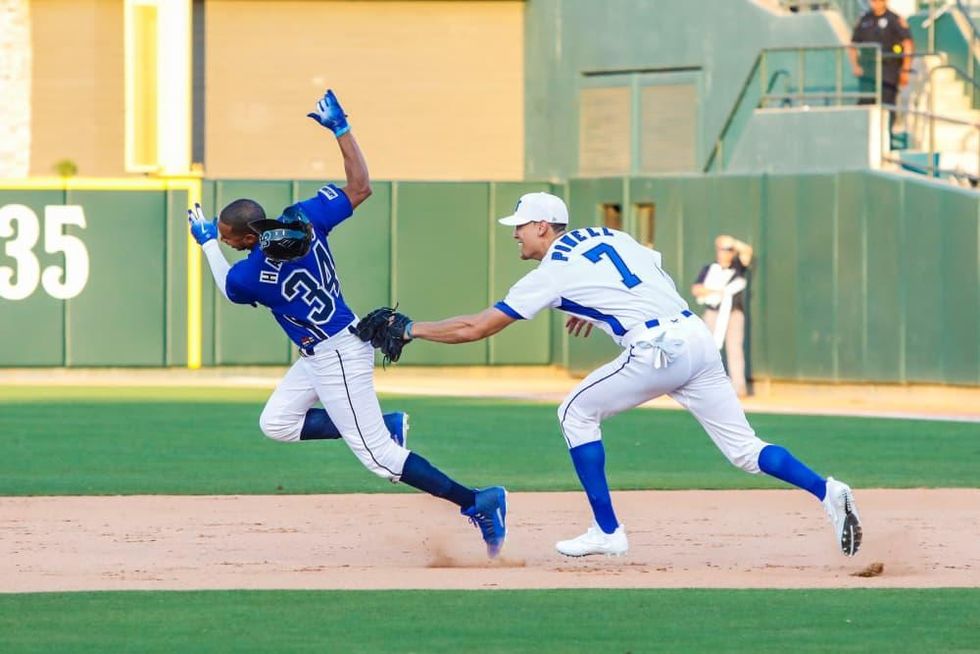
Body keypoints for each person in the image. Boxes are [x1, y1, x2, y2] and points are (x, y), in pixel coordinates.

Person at [360, 192, 862, 558]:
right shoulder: (611, 235)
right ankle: (827, 491)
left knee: (574, 412)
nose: (514, 232)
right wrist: (594, 305)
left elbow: (477, 328)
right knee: (746, 450)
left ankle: (607, 531)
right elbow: (646, 267)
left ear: (544, 227)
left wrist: (413, 330)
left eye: (521, 224)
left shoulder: (552, 269)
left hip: (656, 348)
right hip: (695, 339)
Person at [186, 89, 507, 558]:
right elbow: (360, 187)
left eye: (232, 235)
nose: (229, 241)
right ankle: (385, 422)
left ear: (250, 235)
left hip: (336, 351)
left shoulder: (251, 271)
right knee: (277, 422)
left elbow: (228, 285)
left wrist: (207, 244)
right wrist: (342, 129)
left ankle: (478, 501)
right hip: (327, 347)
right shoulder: (299, 221)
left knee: (380, 459)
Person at [691, 235, 753, 398]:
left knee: (735, 350)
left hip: (733, 313)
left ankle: (739, 388)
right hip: (713, 312)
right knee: (707, 349)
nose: (724, 253)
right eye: (722, 250)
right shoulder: (710, 268)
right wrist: (717, 292)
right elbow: (697, 289)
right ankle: (704, 385)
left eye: (728, 250)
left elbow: (747, 251)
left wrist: (732, 242)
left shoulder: (737, 268)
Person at [849, 0, 913, 131]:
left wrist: (905, 70)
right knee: (865, 105)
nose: (876, 2)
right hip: (868, 73)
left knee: (887, 107)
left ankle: (886, 139)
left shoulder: (894, 19)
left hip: (888, 72)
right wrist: (855, 65)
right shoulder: (864, 19)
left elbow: (907, 44)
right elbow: (853, 45)